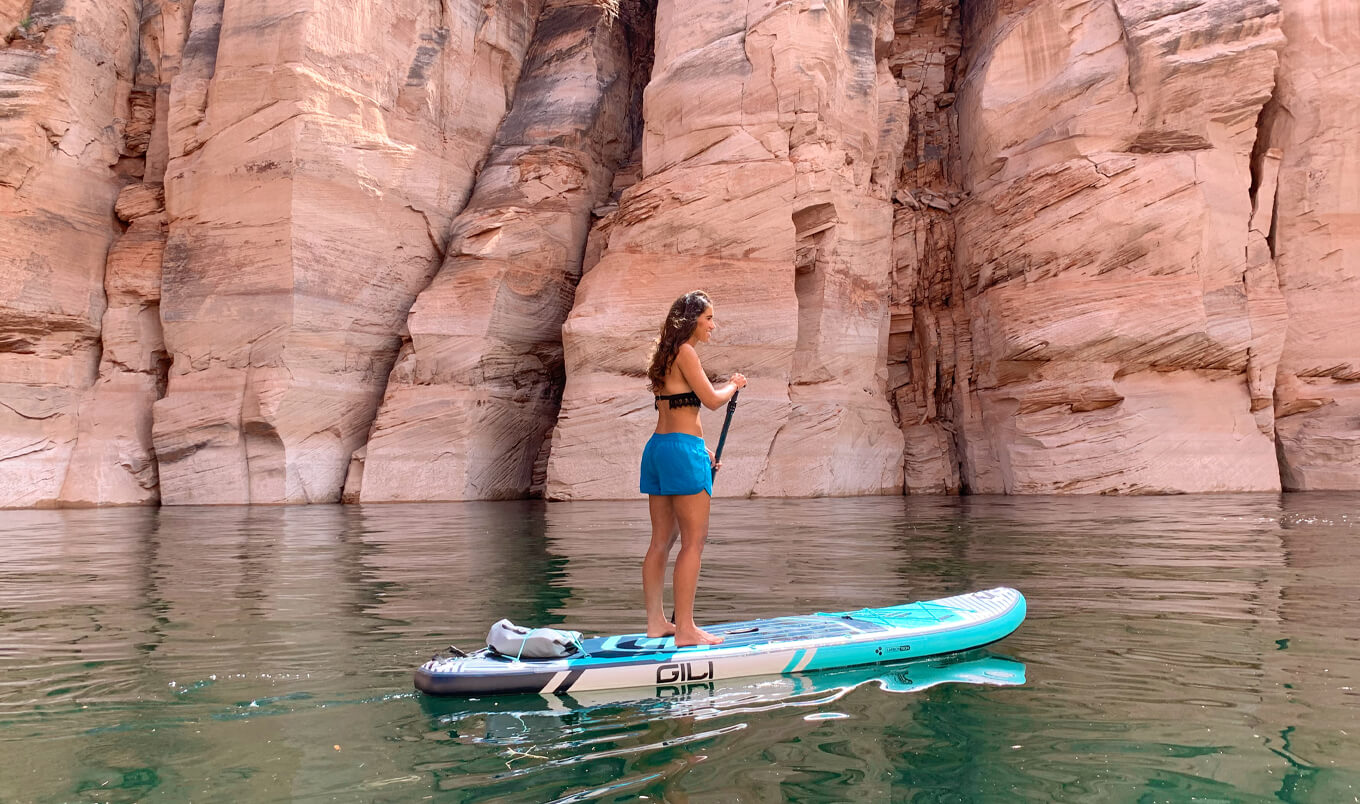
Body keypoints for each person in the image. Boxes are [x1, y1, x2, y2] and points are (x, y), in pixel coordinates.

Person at [640, 290, 747, 647]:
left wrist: (701, 452)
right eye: (708, 319)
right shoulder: (686, 352)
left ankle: (657, 623)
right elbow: (712, 401)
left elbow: (678, 411)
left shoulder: (663, 354)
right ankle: (685, 629)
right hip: (682, 452)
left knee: (661, 541)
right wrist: (735, 384)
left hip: (659, 449)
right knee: (693, 542)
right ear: (691, 321)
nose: (713, 326)